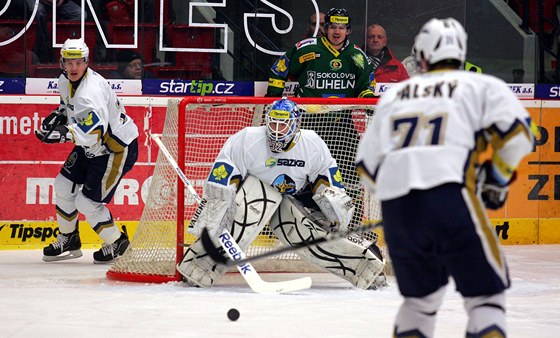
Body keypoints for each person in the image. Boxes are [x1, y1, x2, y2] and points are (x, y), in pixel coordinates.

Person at [356, 18, 536, 337]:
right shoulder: (479, 85)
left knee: (419, 303)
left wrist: (402, 203)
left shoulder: (395, 96)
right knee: (486, 301)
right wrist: (496, 177)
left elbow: (367, 168)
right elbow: (520, 135)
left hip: (398, 210)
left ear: (421, 56)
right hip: (451, 199)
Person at [177, 98, 386, 290]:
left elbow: (329, 186)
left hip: (292, 199)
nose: (277, 130)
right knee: (244, 213)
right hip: (253, 197)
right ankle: (199, 265)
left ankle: (365, 266)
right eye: (273, 123)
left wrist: (334, 214)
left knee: (306, 234)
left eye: (283, 124)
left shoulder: (312, 144)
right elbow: (221, 180)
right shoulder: (246, 139)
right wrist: (217, 210)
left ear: (296, 124)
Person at [266, 8, 377, 244]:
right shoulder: (306, 48)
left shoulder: (357, 56)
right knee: (289, 172)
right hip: (308, 124)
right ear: (325, 28)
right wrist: (272, 100)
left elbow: (367, 85)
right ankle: (273, 224)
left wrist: (367, 99)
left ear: (348, 30)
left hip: (342, 125)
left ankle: (352, 225)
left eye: (342, 27)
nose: (337, 31)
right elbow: (279, 70)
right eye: (333, 26)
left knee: (352, 175)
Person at [34, 39, 139, 264]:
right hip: (90, 144)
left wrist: (63, 133)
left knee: (86, 203)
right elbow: (70, 106)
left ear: (86, 62)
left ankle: (117, 243)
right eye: (69, 62)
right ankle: (69, 238)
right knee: (63, 185)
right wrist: (60, 114)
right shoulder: (65, 80)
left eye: (78, 62)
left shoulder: (90, 92)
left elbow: (96, 132)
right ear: (61, 62)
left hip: (115, 148)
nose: (73, 68)